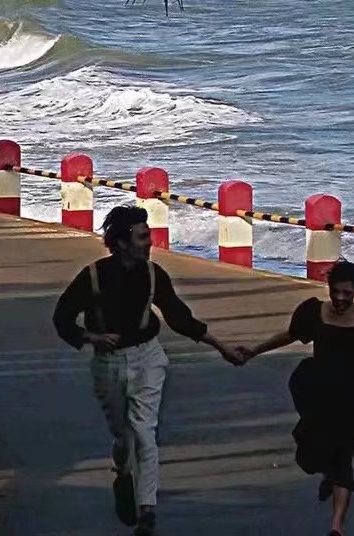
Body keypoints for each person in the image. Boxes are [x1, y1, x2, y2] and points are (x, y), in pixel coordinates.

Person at [52, 205, 241, 536]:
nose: (150, 242)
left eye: (149, 235)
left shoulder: (154, 274)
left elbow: (179, 317)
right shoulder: (93, 276)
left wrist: (221, 346)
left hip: (148, 357)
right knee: (123, 435)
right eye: (142, 237)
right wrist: (90, 337)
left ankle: (147, 512)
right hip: (108, 363)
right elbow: (62, 318)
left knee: (144, 432)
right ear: (122, 243)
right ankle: (123, 473)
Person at [237, 260, 354, 536]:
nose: (340, 298)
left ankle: (336, 528)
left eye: (347, 293)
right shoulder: (313, 311)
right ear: (328, 288)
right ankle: (327, 470)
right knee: (310, 448)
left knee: (344, 455)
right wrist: (254, 351)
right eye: (335, 291)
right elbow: (289, 336)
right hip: (317, 388)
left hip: (352, 393)